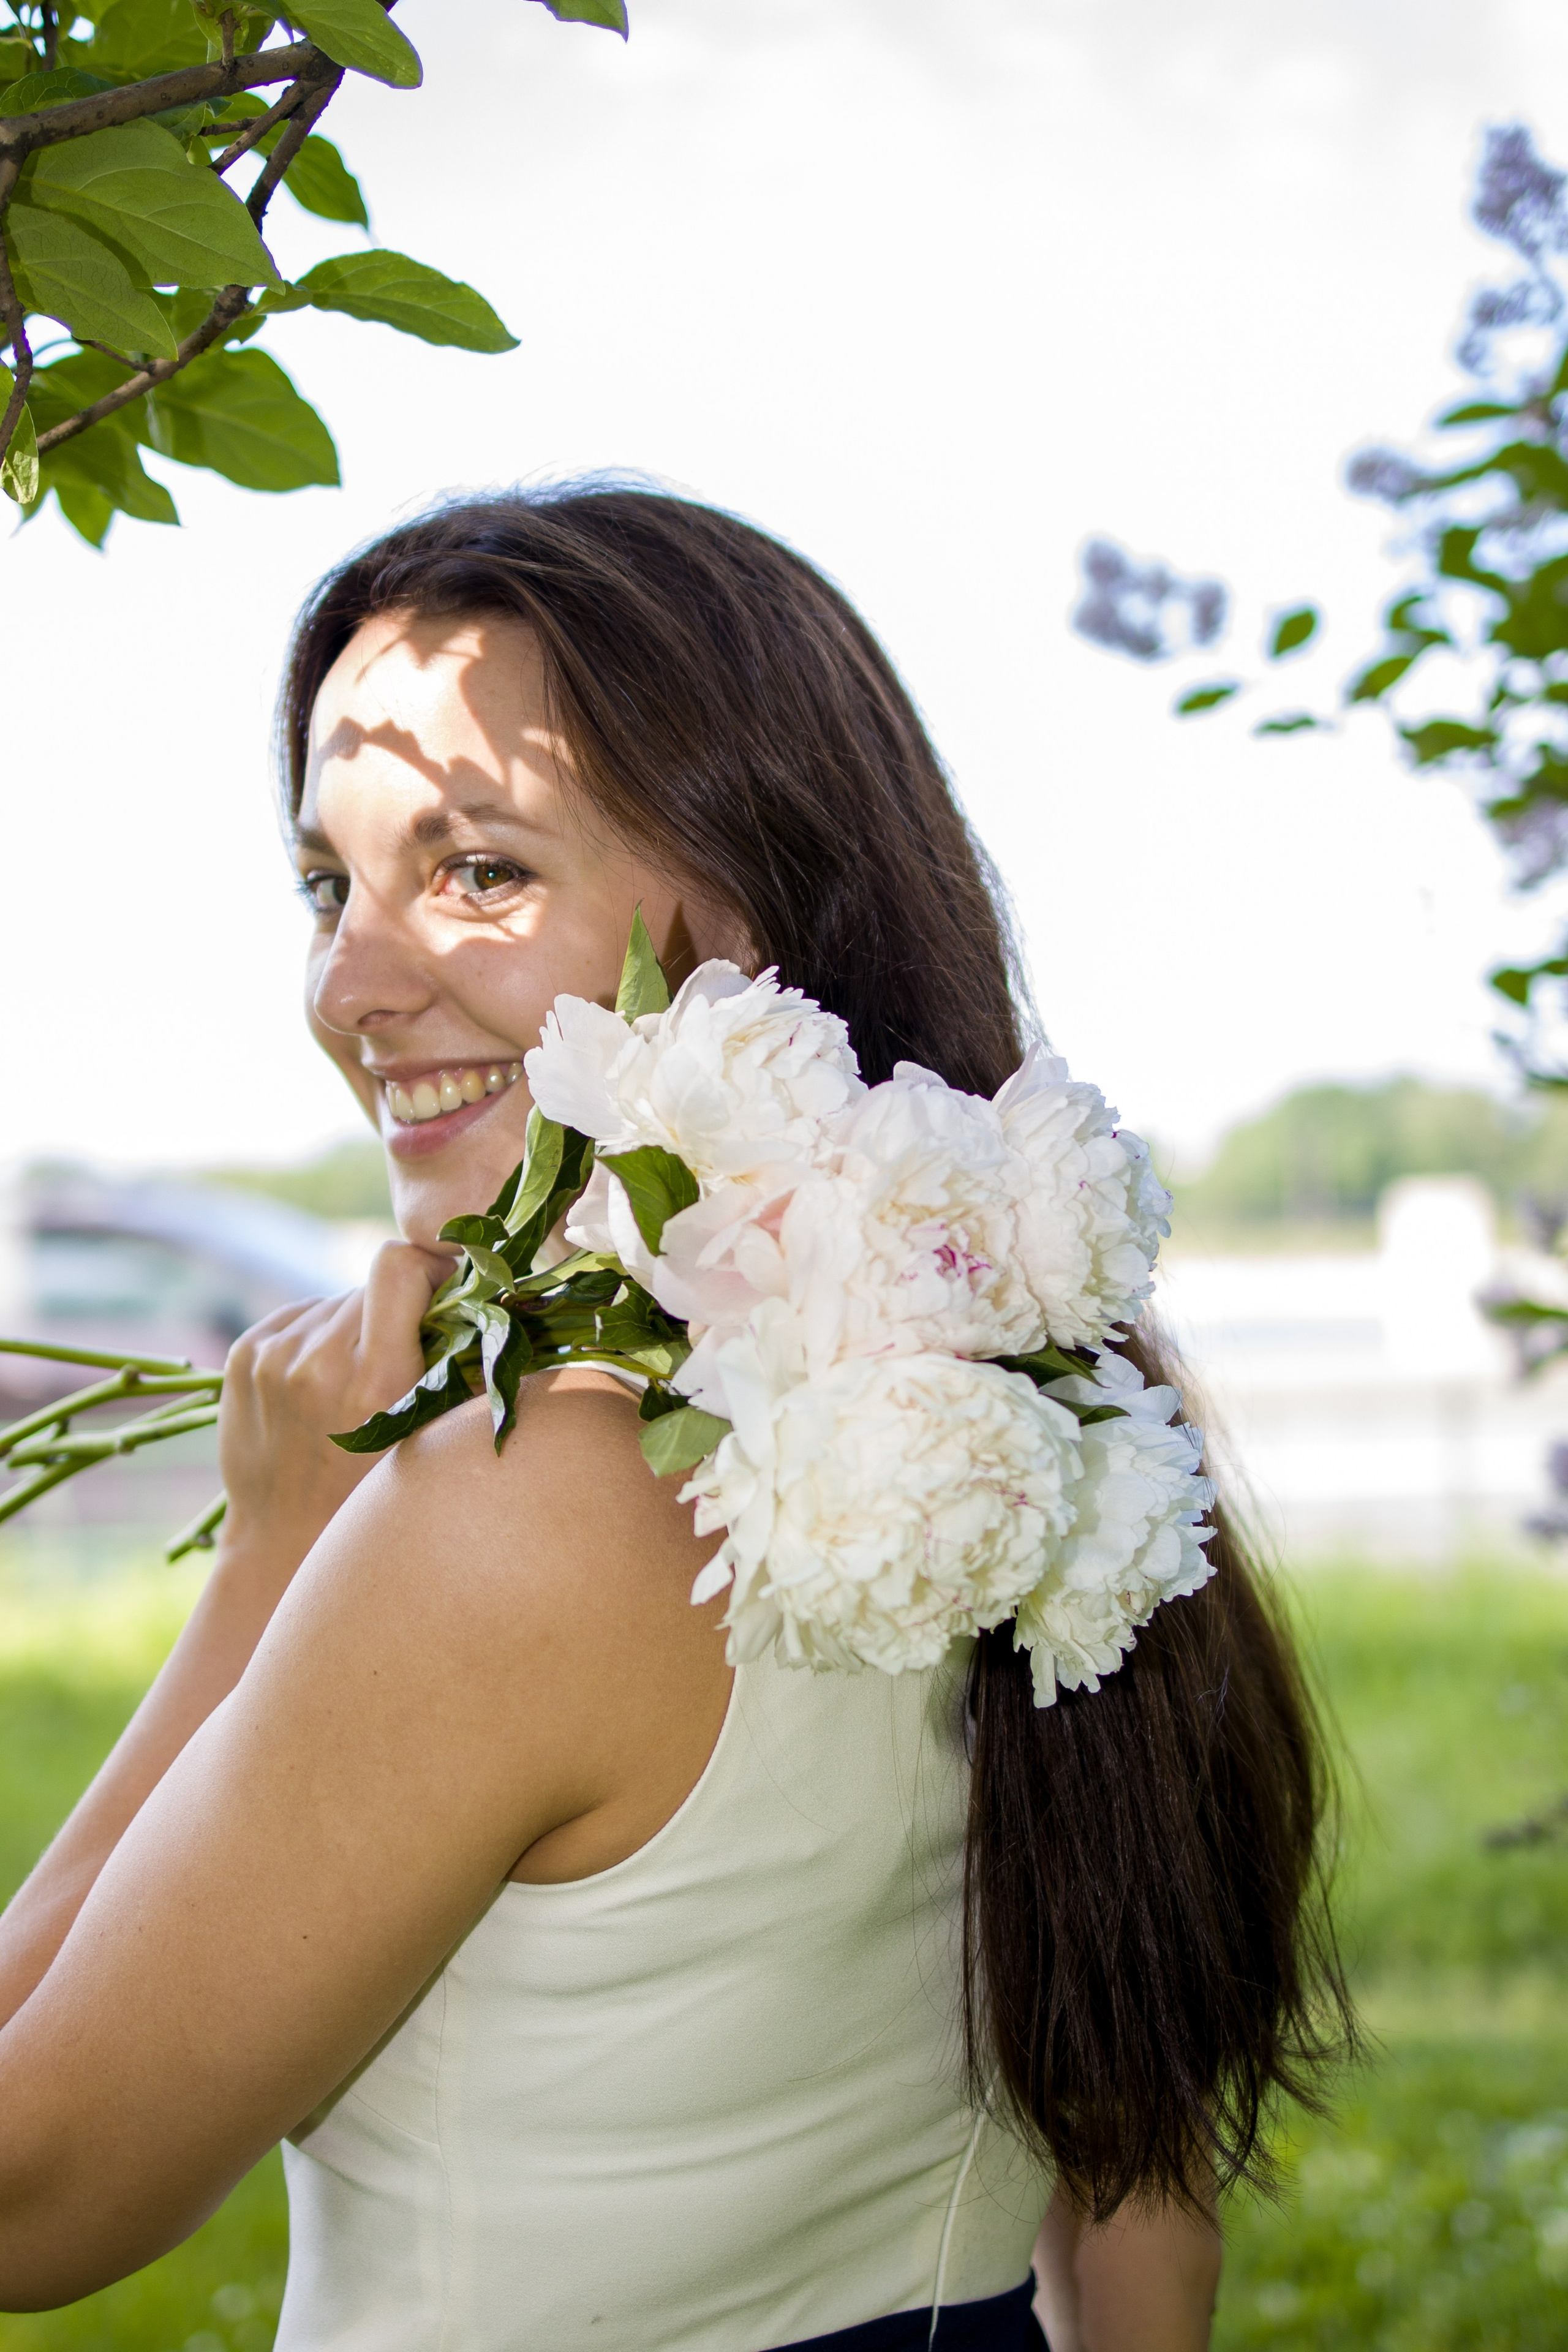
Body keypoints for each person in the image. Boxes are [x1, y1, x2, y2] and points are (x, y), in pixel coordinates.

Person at [0, 486, 1348, 2350]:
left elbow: (35, 2192)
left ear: (755, 901)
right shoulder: (1046, 1408)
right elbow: (1140, 2225)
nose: (350, 986)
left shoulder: (515, 1515)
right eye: (330, 883)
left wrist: (271, 1554)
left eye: (476, 868)